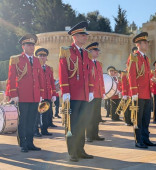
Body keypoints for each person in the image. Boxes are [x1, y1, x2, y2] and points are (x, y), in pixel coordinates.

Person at [59, 21, 95, 162]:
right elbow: (63, 72)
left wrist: (91, 90)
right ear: (75, 36)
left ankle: (81, 150)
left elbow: (90, 74)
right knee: (72, 124)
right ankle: (72, 152)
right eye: (82, 35)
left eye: (85, 35)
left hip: (85, 95)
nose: (85, 37)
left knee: (82, 124)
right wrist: (65, 90)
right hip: (73, 94)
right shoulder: (67, 51)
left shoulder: (87, 54)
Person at [6, 33, 44, 152]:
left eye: (33, 45)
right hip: (22, 95)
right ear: (23, 46)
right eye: (29, 45)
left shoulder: (37, 60)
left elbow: (40, 78)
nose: (32, 47)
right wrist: (14, 94)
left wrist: (41, 93)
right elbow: (11, 78)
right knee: (23, 121)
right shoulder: (16, 59)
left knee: (32, 121)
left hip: (34, 96)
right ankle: (23, 144)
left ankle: (30, 143)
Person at [128, 32, 156, 148]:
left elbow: (145, 73)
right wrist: (134, 92)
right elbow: (131, 75)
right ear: (138, 45)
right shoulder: (134, 57)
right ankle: (138, 140)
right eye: (145, 43)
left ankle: (146, 139)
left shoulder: (146, 58)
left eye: (147, 42)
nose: (147, 44)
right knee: (138, 119)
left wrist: (152, 78)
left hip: (147, 93)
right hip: (138, 93)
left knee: (146, 119)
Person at [85, 42, 106, 142]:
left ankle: (95, 134)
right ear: (90, 51)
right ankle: (89, 135)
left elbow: (100, 78)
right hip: (90, 94)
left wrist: (103, 91)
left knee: (96, 116)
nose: (98, 52)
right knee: (89, 115)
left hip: (97, 93)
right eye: (96, 50)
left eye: (98, 51)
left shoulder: (98, 64)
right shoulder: (86, 62)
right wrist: (89, 91)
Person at [34, 47, 56, 136]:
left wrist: (53, 94)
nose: (42, 57)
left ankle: (44, 130)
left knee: (46, 113)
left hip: (47, 95)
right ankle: (35, 131)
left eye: (44, 56)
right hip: (38, 95)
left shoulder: (49, 69)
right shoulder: (35, 68)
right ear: (37, 57)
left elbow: (52, 83)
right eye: (40, 55)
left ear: (46, 58)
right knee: (37, 114)